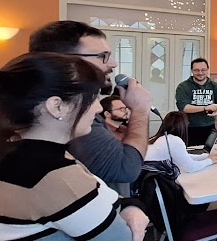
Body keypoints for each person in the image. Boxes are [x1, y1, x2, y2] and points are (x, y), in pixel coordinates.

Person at [0, 53, 147, 241]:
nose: (98, 109)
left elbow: (99, 197)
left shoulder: (13, 154)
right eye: (91, 99)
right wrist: (134, 209)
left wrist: (129, 205)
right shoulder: (51, 174)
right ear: (57, 106)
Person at [29, 20, 153, 196]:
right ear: (66, 60)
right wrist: (140, 109)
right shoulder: (69, 110)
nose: (113, 63)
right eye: (102, 56)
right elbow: (125, 169)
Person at [146, 111, 217, 173]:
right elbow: (191, 167)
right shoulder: (174, 141)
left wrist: (206, 156)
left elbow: (184, 156)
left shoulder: (161, 138)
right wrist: (210, 161)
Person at [176, 58, 217, 146]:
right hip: (189, 128)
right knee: (190, 152)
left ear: (207, 70)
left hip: (210, 127)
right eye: (196, 70)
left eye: (203, 70)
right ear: (192, 70)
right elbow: (184, 107)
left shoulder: (215, 86)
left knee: (209, 152)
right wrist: (205, 108)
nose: (200, 73)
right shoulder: (183, 86)